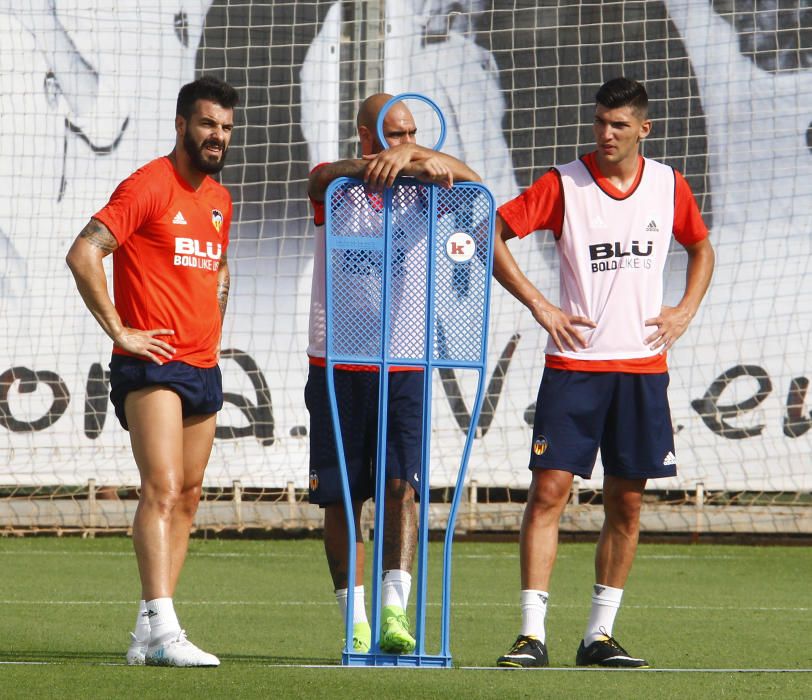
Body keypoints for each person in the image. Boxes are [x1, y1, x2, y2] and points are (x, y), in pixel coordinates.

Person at [493, 77, 714, 668]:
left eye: (618, 125)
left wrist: (684, 310)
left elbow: (701, 247)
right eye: (599, 122)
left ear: (644, 129)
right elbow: (491, 232)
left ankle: (598, 636)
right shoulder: (564, 183)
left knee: (628, 503)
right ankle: (531, 635)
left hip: (642, 370)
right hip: (576, 366)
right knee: (549, 491)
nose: (606, 134)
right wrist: (541, 306)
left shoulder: (667, 184)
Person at [66, 75, 238, 667]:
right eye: (208, 124)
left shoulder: (220, 199)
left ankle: (149, 635)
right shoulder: (148, 184)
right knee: (162, 488)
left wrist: (214, 318)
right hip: (153, 364)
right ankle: (163, 627)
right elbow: (84, 253)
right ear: (181, 124)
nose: (217, 136)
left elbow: (216, 272)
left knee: (188, 496)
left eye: (225, 128)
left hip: (203, 366)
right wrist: (119, 330)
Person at [306, 93, 480, 654]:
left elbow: (476, 188)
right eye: (392, 134)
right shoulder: (338, 187)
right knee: (341, 497)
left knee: (402, 486)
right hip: (337, 360)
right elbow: (321, 178)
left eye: (411, 133)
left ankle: (393, 613)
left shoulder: (428, 186)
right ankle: (353, 617)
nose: (404, 144)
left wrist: (421, 158)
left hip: (405, 358)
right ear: (365, 134)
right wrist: (365, 167)